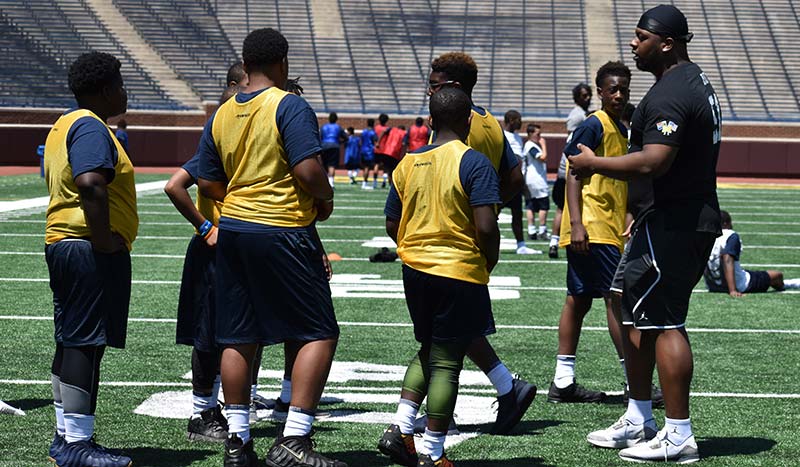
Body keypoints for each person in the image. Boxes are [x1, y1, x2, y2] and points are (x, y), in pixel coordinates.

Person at [572, 6, 721, 463]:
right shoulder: (684, 82)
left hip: (675, 222)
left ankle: (679, 436)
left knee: (665, 321)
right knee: (625, 304)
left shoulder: (673, 91)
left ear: (667, 42)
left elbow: (656, 160)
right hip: (660, 218)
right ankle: (639, 415)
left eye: (640, 37)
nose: (633, 45)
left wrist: (594, 164)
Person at [197, 28, 345, 467]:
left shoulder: (222, 114)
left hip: (235, 230)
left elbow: (207, 181)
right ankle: (294, 438)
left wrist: (240, 201)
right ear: (282, 62)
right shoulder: (288, 103)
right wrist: (325, 196)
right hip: (281, 229)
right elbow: (307, 168)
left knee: (238, 334)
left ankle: (238, 442)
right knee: (317, 331)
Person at [378, 87, 500, 467]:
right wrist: (487, 261)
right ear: (468, 121)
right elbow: (486, 225)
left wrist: (415, 248)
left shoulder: (407, 163)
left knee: (429, 349)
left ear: (430, 121)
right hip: (458, 269)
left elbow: (391, 222)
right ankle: (433, 451)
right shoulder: (475, 162)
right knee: (447, 363)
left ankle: (401, 429)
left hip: (415, 269)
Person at [425, 52, 534, 436]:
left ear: (453, 88)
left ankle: (446, 415)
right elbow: (516, 177)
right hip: (470, 236)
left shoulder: (451, 122)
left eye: (435, 84)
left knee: (441, 331)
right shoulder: (489, 122)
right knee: (456, 326)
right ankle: (506, 387)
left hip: (446, 239)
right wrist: (489, 208)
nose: (429, 90)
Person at [44, 51, 137, 467]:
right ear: (103, 90)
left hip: (66, 242)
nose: (124, 91)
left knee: (70, 340)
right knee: (84, 343)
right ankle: (78, 445)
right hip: (85, 246)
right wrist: (101, 240)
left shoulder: (65, 122)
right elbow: (90, 183)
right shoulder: (91, 126)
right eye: (119, 84)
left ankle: (66, 437)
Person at [164, 71, 250, 443]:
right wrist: (205, 228)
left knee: (238, 333)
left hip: (241, 248)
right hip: (216, 251)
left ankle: (225, 407)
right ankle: (201, 413)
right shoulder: (217, 143)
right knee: (209, 335)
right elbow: (175, 185)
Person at [547, 61, 632, 405]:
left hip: (605, 224)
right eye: (612, 89)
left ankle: (563, 381)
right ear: (599, 91)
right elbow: (572, 172)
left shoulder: (619, 127)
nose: (619, 95)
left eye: (624, 89)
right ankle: (634, 381)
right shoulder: (593, 125)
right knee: (617, 300)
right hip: (593, 226)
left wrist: (627, 213)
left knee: (578, 299)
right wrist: (578, 223)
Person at [705, 210, 800, 295]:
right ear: (726, 223)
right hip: (739, 284)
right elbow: (727, 259)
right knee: (777, 275)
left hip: (713, 285)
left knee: (750, 273)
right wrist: (733, 290)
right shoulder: (730, 235)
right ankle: (786, 284)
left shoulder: (707, 236)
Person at [549, 83, 592, 259]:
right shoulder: (578, 116)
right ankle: (559, 240)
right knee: (564, 207)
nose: (587, 98)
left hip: (567, 166)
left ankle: (554, 242)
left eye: (588, 94)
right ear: (576, 98)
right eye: (583, 95)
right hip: (569, 167)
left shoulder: (580, 114)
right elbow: (574, 142)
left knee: (562, 208)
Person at [502, 110, 539, 255]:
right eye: (518, 120)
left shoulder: (517, 137)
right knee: (494, 212)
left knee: (517, 214)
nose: (521, 122)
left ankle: (521, 245)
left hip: (516, 182)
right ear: (511, 120)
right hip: (504, 181)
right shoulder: (502, 135)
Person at [522, 123, 550, 240]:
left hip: (530, 179)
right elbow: (543, 157)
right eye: (537, 134)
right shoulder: (531, 146)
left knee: (531, 205)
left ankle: (531, 230)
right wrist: (544, 145)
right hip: (537, 180)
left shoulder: (530, 145)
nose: (540, 137)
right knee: (543, 205)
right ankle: (542, 230)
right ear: (530, 134)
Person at [320, 112, 347, 187]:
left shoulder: (323, 127)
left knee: (325, 164)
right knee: (332, 165)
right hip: (335, 146)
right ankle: (331, 183)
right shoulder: (338, 127)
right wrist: (340, 142)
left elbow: (319, 137)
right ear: (336, 119)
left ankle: (325, 182)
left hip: (324, 146)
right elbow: (346, 137)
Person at [373, 113, 391, 188]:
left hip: (377, 149)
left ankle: (375, 182)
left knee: (376, 165)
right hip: (385, 149)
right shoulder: (388, 128)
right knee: (386, 167)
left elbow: (373, 137)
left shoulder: (376, 128)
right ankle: (384, 180)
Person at [360, 118, 378, 189]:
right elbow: (376, 142)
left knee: (365, 167)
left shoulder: (364, 131)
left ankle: (364, 183)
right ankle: (367, 183)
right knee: (369, 167)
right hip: (370, 151)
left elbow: (361, 141)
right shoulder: (373, 132)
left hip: (363, 150)